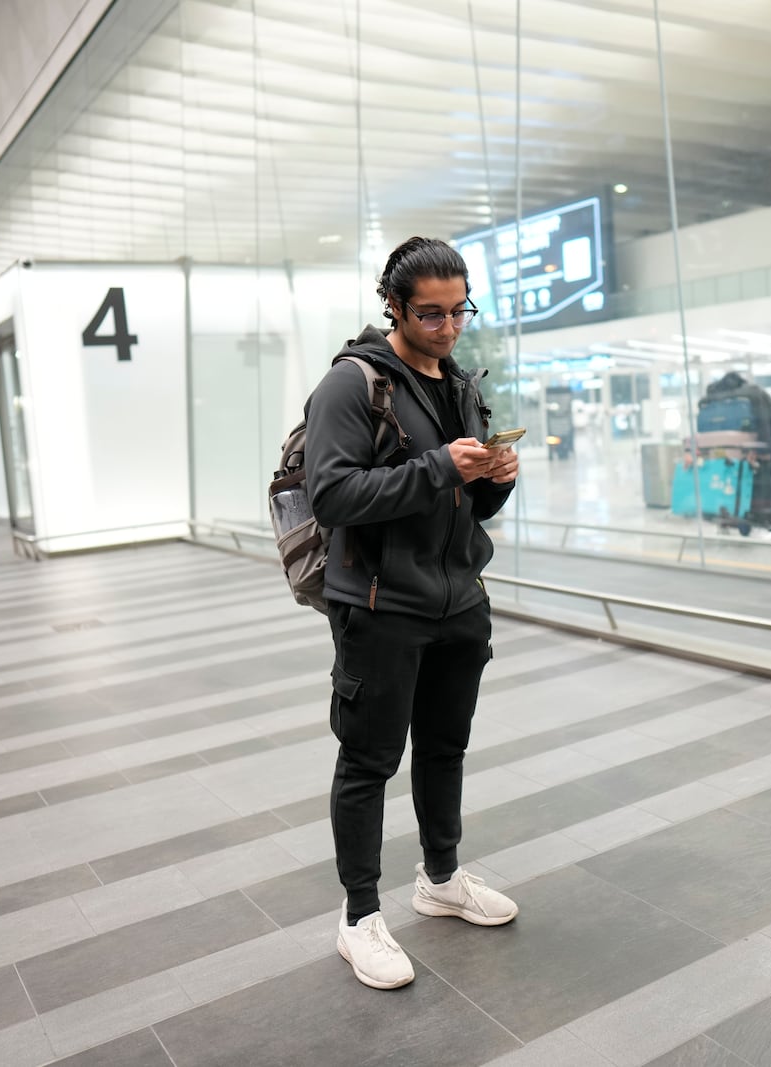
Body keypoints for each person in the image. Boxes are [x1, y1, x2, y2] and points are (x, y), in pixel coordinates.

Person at [304, 236, 520, 991]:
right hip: (379, 604)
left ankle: (441, 878)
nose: (450, 326)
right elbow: (331, 496)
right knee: (369, 760)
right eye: (432, 313)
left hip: (459, 599)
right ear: (392, 306)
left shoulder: (458, 381)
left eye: (461, 310)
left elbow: (468, 496)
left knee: (444, 747)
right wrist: (436, 468)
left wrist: (495, 477)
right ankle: (359, 914)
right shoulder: (351, 385)